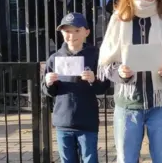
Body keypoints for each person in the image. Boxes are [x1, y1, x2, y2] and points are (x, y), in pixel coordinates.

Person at [97, 0, 162, 163]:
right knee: (126, 159)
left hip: (161, 104)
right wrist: (121, 73)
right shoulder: (119, 18)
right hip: (128, 105)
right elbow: (106, 63)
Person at [42, 12, 111, 163]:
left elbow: (104, 87)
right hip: (63, 122)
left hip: (87, 121)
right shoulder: (54, 59)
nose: (72, 35)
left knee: (89, 159)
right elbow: (49, 92)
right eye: (67, 31)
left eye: (77, 30)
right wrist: (48, 83)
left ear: (87, 32)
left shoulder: (95, 56)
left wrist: (94, 80)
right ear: (61, 32)